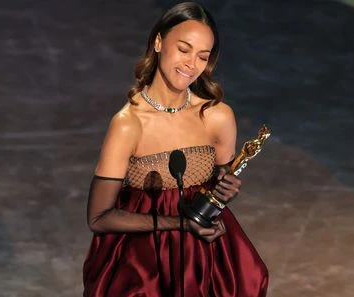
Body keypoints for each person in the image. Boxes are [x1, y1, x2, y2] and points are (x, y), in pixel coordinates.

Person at [83, 2, 268, 296]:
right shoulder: (128, 124)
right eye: (184, 49)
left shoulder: (218, 117)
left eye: (202, 56)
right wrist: (179, 224)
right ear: (158, 42)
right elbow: (99, 217)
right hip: (144, 264)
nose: (191, 64)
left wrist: (225, 190)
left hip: (205, 262)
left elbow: (217, 188)